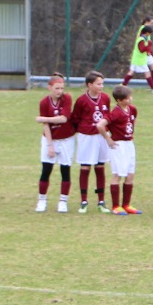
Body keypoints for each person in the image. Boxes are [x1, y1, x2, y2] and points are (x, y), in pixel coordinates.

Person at [70, 70, 113, 213]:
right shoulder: (81, 100)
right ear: (90, 85)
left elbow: (108, 116)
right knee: (85, 167)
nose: (101, 86)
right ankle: (84, 201)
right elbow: (75, 118)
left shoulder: (105, 98)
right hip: (87, 137)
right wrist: (84, 130)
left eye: (102, 83)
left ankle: (101, 201)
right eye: (98, 84)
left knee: (100, 167)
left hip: (101, 136)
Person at [34, 72, 75, 213]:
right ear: (49, 87)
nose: (60, 91)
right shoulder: (44, 102)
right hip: (50, 139)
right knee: (46, 170)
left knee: (65, 170)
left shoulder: (67, 98)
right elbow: (46, 126)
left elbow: (64, 119)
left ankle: (63, 201)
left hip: (66, 140)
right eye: (57, 88)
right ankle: (42, 200)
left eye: (62, 88)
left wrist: (44, 119)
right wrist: (50, 145)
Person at [104, 85, 142, 214]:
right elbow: (100, 125)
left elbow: (132, 121)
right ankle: (115, 206)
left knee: (130, 174)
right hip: (118, 145)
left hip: (129, 144)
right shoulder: (115, 113)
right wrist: (108, 139)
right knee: (117, 174)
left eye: (130, 97)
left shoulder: (132, 109)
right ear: (119, 101)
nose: (130, 99)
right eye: (127, 98)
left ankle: (126, 204)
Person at [123, 18, 153, 92]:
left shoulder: (143, 38)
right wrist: (148, 46)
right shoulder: (142, 38)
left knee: (131, 72)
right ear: (146, 33)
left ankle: (123, 86)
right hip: (139, 59)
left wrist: (149, 49)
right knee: (147, 72)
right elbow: (142, 49)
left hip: (137, 58)